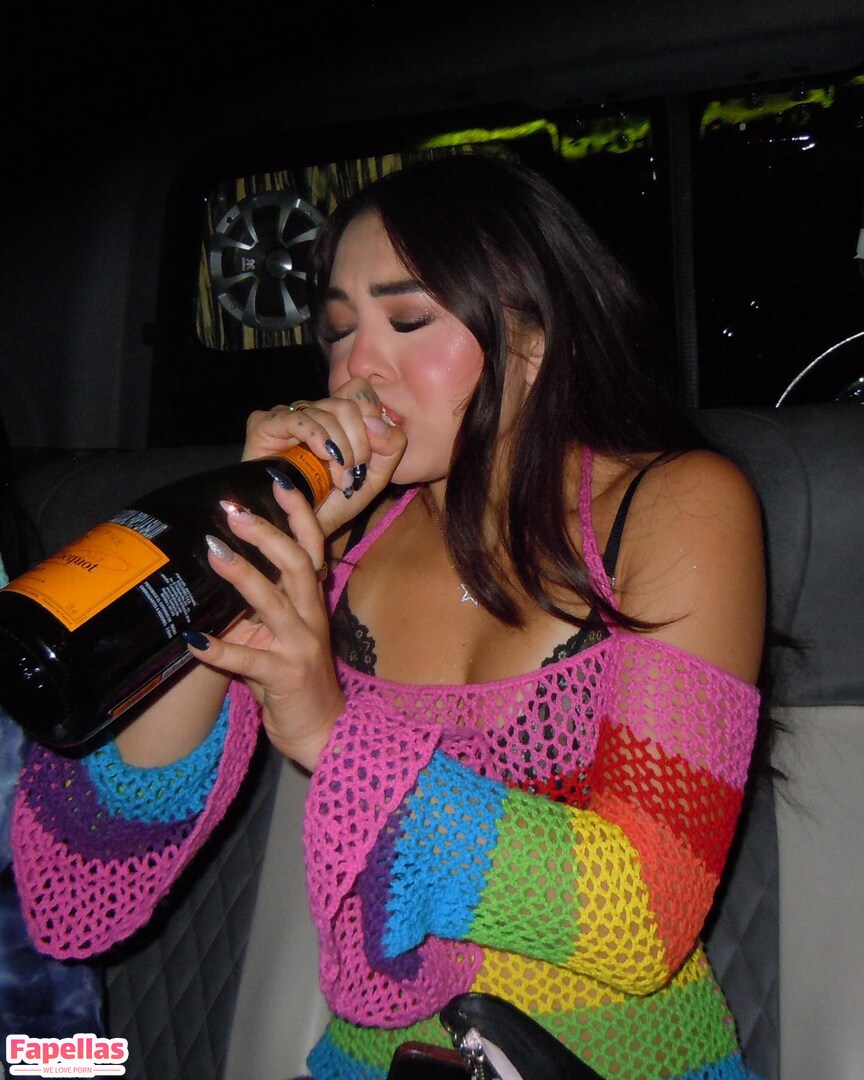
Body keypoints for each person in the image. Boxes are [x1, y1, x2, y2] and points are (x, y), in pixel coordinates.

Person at [11, 153, 766, 1079]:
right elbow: (91, 872)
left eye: (408, 321)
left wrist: (335, 737)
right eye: (338, 332)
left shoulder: (678, 504)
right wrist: (245, 547)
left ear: (532, 340)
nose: (358, 367)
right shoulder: (339, 546)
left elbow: (648, 911)